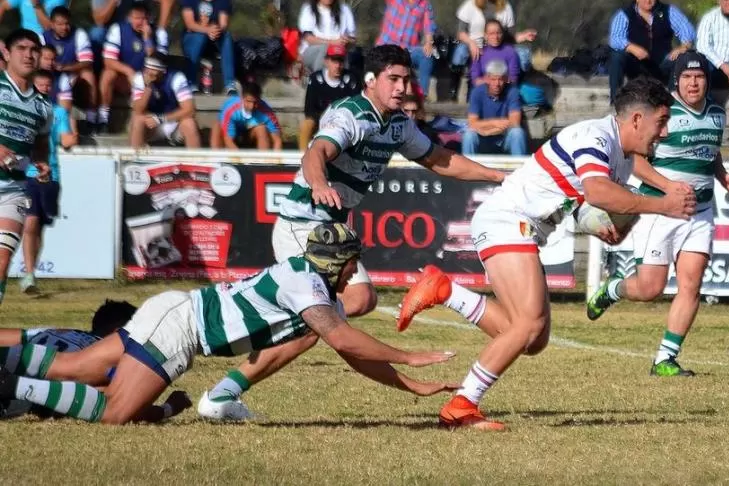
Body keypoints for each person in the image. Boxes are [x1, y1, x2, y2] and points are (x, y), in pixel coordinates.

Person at [197, 45, 506, 422]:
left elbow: (440, 160)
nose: (401, 86)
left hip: (329, 231)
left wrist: (497, 177)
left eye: (406, 79)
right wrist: (318, 184)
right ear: (371, 81)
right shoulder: (351, 115)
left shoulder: (398, 124)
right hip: (303, 227)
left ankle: (235, 378)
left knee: (356, 302)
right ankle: (228, 385)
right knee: (328, 319)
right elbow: (316, 153)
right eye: (393, 79)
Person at [396, 77, 697, 430]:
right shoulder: (595, 137)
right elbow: (598, 192)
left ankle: (445, 290)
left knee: (531, 339)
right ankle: (462, 404)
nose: (663, 132)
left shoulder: (624, 156)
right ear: (636, 120)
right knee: (528, 325)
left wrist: (619, 224)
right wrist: (663, 204)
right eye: (661, 122)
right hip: (508, 220)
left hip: (519, 226)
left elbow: (608, 204)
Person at [0, 223, 459, 425]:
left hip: (174, 309)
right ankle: (11, 388)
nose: (355, 273)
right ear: (340, 262)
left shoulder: (312, 287)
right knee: (116, 412)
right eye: (353, 264)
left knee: (77, 367)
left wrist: (411, 385)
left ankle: (11, 371)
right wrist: (408, 355)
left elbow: (353, 354)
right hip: (180, 331)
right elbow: (345, 341)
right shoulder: (305, 284)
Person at [586, 52, 729, 376]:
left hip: (699, 212)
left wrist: (723, 176)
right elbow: (636, 161)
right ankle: (614, 288)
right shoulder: (663, 114)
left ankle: (665, 359)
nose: (693, 83)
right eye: (686, 77)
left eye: (699, 76)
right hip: (660, 210)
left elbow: (710, 154)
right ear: (677, 80)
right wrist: (668, 185)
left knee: (691, 284)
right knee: (650, 289)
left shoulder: (717, 113)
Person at [0, 299, 137, 419]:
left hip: (15, 368)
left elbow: (9, 336)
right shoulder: (106, 352)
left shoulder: (57, 331)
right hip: (32, 393)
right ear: (119, 331)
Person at [0, 29, 51, 307]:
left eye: (34, 49)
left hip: (13, 189)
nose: (29, 54)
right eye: (21, 48)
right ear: (6, 53)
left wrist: (41, 163)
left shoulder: (43, 106)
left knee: (3, 258)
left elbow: (41, 144)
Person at [18, 69, 78, 294]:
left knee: (39, 226)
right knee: (30, 222)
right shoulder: (23, 110)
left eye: (47, 85)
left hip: (52, 175)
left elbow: (65, 139)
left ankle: (31, 272)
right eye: (39, 85)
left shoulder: (59, 112)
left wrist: (72, 136)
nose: (43, 89)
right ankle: (29, 274)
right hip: (28, 174)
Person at [450, 0, 537, 98]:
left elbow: (510, 37)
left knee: (523, 54)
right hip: (474, 45)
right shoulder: (470, 5)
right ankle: (454, 90)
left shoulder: (506, 7)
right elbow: (460, 33)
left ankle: (516, 89)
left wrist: (524, 36)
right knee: (460, 53)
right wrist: (471, 43)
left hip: (498, 45)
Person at [608, 0, 696, 102]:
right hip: (636, 65)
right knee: (616, 56)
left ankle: (675, 100)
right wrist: (631, 47)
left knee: (683, 57)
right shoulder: (625, 14)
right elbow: (615, 39)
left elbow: (688, 31)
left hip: (661, 64)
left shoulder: (668, 11)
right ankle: (616, 99)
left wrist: (684, 46)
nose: (648, 0)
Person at [98, 2, 170, 133]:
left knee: (153, 77)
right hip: (126, 79)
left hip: (149, 80)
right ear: (130, 18)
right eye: (137, 18)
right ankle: (103, 119)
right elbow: (108, 60)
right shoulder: (118, 29)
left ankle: (142, 125)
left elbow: (158, 64)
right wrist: (129, 71)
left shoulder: (159, 34)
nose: (142, 22)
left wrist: (147, 39)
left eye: (145, 18)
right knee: (108, 74)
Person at [376, 0, 437, 95]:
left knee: (427, 55)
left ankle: (421, 95)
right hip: (387, 46)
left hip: (408, 50)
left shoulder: (423, 4)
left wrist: (428, 42)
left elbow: (429, 27)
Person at [179, 0, 237, 94]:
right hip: (192, 40)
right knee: (199, 36)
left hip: (213, 39)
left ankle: (230, 83)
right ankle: (191, 82)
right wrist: (207, 30)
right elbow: (190, 24)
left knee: (227, 36)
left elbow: (223, 23)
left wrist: (216, 30)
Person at [41, 6, 98, 125]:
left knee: (88, 74)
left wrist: (64, 67)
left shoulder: (79, 34)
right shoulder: (43, 37)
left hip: (72, 75)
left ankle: (92, 119)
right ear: (52, 24)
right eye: (60, 24)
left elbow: (87, 61)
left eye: (67, 24)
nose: (64, 28)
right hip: (49, 75)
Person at [129, 57, 201, 148]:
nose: (148, 72)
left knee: (189, 123)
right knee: (137, 119)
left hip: (174, 123)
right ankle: (135, 157)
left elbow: (190, 110)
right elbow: (138, 110)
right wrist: (148, 87)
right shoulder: (139, 78)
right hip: (151, 125)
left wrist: (161, 119)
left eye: (153, 68)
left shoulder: (177, 78)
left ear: (163, 70)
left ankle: (194, 160)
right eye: (147, 68)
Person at [300, 43, 360, 152]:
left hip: (344, 122)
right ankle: (303, 157)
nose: (337, 65)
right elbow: (309, 109)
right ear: (326, 61)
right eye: (334, 61)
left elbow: (356, 108)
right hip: (319, 119)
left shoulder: (351, 80)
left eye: (340, 61)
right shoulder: (315, 79)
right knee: (307, 124)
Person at [462, 60, 527, 156]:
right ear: (487, 79)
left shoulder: (512, 92)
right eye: (493, 79)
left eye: (500, 79)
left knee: (517, 132)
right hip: (483, 138)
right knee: (469, 135)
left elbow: (514, 122)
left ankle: (520, 168)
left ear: (505, 79)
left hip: (504, 138)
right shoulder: (477, 92)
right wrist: (495, 123)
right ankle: (467, 168)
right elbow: (472, 123)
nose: (496, 84)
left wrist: (488, 130)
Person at [298, 0, 357, 74]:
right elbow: (308, 38)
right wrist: (333, 42)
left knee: (341, 54)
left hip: (339, 50)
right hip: (313, 51)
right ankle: (320, 81)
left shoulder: (345, 10)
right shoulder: (308, 9)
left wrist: (346, 41)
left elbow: (353, 38)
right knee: (326, 50)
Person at [210, 81, 282, 150]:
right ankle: (217, 160)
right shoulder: (230, 109)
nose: (252, 106)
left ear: (260, 99)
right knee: (217, 126)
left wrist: (275, 160)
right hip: (232, 137)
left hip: (250, 137)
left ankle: (264, 160)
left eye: (255, 102)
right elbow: (228, 140)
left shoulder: (266, 112)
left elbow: (277, 140)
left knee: (261, 129)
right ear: (242, 99)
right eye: (249, 101)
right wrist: (240, 160)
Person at [469, 19, 520, 87]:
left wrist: (499, 80)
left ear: (502, 34)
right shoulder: (479, 52)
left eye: (498, 33)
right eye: (491, 33)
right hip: (484, 89)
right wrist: (489, 81)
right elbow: (475, 80)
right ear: (485, 35)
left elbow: (513, 79)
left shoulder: (510, 52)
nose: (495, 37)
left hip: (505, 89)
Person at [37, 46, 73, 112]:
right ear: (38, 58)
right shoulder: (29, 75)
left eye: (53, 59)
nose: (50, 63)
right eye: (46, 59)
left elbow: (64, 109)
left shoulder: (62, 78)